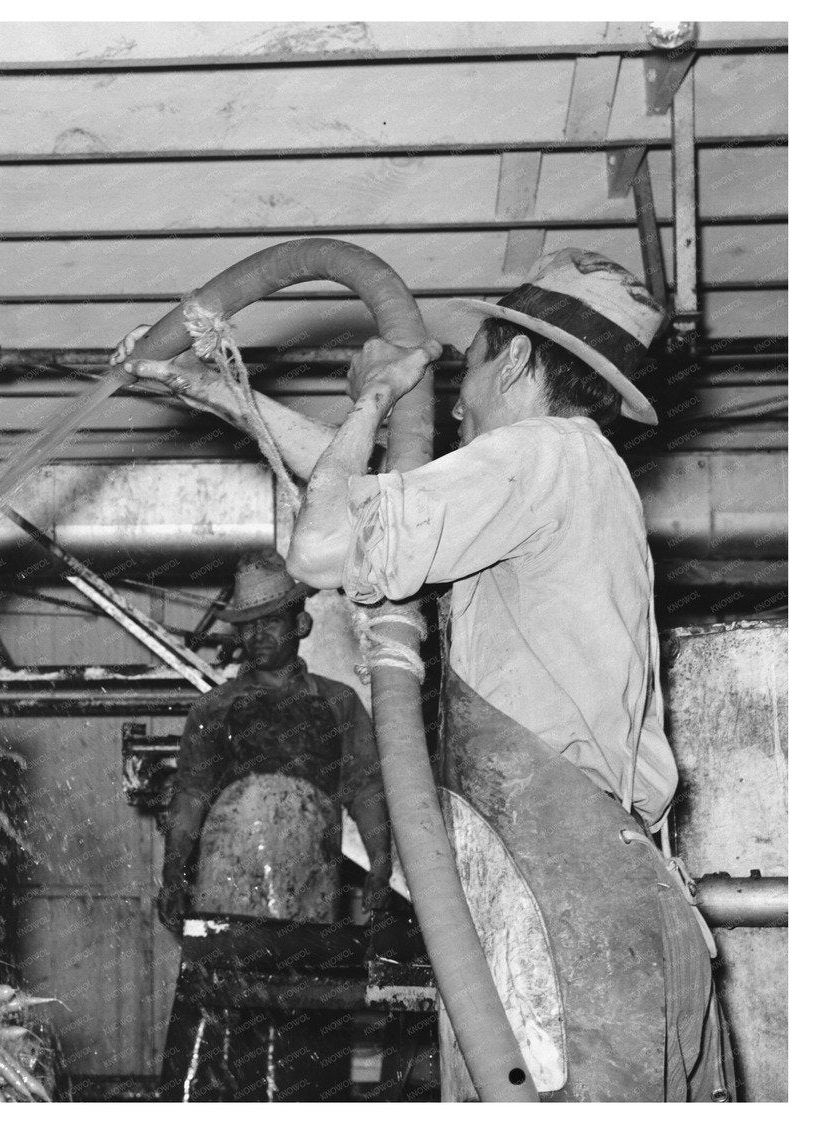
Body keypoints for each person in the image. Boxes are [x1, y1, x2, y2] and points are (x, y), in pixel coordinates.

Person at [120, 248, 732, 1101]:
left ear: (515, 359)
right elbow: (377, 508)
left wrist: (377, 394)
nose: (457, 400)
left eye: (472, 365)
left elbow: (326, 543)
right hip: (599, 893)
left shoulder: (540, 452)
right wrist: (228, 396)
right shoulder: (572, 471)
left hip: (565, 899)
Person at [155, 548, 391, 1102]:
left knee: (303, 1013)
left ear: (300, 623)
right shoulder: (214, 709)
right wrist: (172, 871)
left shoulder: (339, 704)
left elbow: (365, 788)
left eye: (272, 621)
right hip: (225, 880)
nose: (259, 635)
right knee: (221, 1012)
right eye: (248, 626)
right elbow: (190, 795)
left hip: (306, 880)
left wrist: (381, 864)